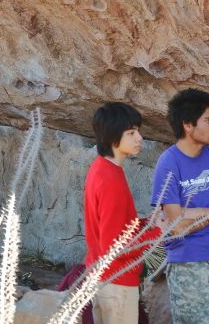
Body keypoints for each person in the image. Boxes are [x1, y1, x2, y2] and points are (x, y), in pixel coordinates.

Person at [151, 88, 209, 323]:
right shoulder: (168, 163)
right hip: (187, 263)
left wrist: (191, 214)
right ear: (187, 124)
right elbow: (175, 226)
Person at [84, 102, 159, 324]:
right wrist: (158, 232)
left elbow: (116, 227)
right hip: (116, 280)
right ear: (111, 137)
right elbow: (115, 246)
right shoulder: (111, 180)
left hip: (99, 276)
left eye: (138, 131)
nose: (140, 138)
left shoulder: (100, 168)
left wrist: (148, 223)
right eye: (131, 133)